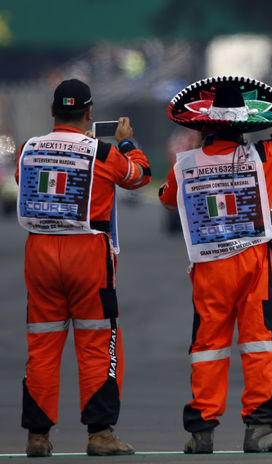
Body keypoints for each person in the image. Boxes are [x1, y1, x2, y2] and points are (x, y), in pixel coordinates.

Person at [158, 41, 272, 454]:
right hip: (255, 265)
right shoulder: (263, 157)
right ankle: (260, 429)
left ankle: (200, 434)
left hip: (209, 269)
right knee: (261, 343)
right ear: (245, 123)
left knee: (208, 347)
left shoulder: (184, 166)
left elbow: (168, 197)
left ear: (204, 126)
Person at [15, 79, 151, 457]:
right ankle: (100, 434)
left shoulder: (29, 149)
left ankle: (37, 437)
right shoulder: (102, 152)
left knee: (42, 345)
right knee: (97, 342)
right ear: (90, 113)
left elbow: (19, 181)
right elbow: (139, 176)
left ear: (52, 112)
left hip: (40, 251)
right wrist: (127, 143)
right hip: (88, 250)